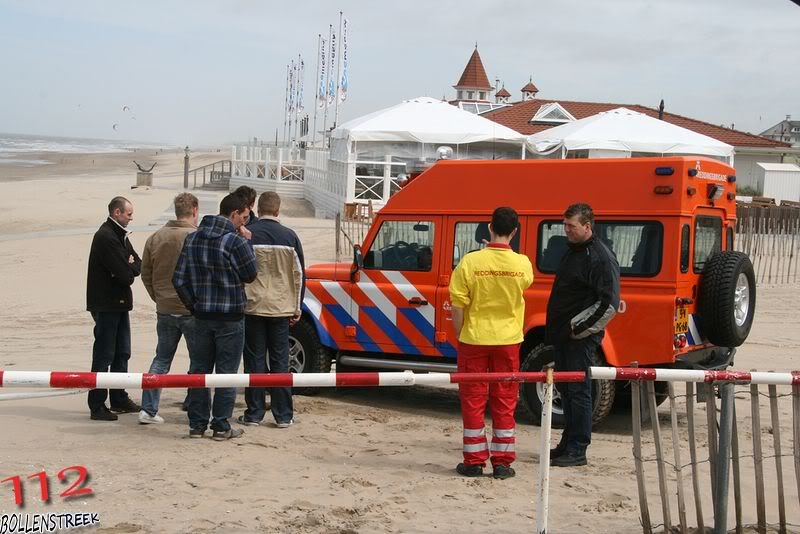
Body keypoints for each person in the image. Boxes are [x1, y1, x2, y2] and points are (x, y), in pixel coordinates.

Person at [449, 207, 534, 479]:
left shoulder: (470, 263)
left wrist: (462, 334)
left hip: (474, 338)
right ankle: (502, 463)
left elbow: (458, 304)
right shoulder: (523, 265)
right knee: (505, 400)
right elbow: (524, 287)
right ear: (515, 232)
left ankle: (474, 461)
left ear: (489, 228)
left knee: (473, 400)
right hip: (509, 340)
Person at [173, 193, 257, 441]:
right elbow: (251, 274)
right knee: (226, 372)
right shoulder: (235, 242)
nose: (244, 223)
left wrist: (194, 305)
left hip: (202, 314)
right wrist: (247, 243)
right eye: (243, 217)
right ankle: (220, 425)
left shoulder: (193, 238)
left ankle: (197, 424)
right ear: (233, 214)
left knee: (199, 370)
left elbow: (179, 280)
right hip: (230, 315)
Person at [546, 203, 620, 467]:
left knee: (579, 392)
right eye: (564, 225)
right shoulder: (573, 251)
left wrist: (578, 330)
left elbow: (608, 304)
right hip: (563, 337)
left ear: (587, 226)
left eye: (571, 226)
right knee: (567, 390)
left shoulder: (599, 257)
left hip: (580, 340)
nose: (566, 230)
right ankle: (568, 442)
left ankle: (578, 448)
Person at [238, 192, 305, 429]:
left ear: (258, 207)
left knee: (254, 361)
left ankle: (255, 412)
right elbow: (298, 274)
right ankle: (283, 414)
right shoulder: (289, 237)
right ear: (278, 210)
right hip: (281, 306)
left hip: (253, 305)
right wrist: (297, 307)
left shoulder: (249, 235)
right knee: (280, 360)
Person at [138, 193, 199, 425]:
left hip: (165, 307)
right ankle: (195, 405)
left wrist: (158, 297)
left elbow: (146, 273)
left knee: (162, 358)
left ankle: (148, 408)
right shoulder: (194, 236)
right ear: (194, 211)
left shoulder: (156, 237)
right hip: (190, 308)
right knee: (197, 359)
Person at [86, 196, 142, 421]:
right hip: (106, 303)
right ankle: (97, 404)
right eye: (129, 214)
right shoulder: (106, 236)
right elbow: (126, 275)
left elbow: (137, 263)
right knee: (104, 354)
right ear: (117, 212)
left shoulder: (119, 234)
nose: (131, 217)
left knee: (122, 353)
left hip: (118, 304)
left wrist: (129, 264)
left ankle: (119, 397)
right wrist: (128, 265)